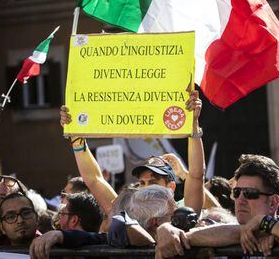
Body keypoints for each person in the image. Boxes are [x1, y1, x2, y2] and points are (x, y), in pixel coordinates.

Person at [60, 90, 211, 216]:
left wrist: (193, 123)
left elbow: (197, 174)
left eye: (153, 182)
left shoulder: (185, 212)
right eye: (142, 183)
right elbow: (94, 180)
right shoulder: (128, 214)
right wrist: (76, 135)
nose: (146, 188)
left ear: (171, 187)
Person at [155, 154, 279, 258]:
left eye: (250, 193)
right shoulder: (226, 228)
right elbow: (234, 231)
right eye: (237, 192)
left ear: (274, 202)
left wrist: (265, 223)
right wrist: (166, 228)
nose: (240, 200)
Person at [29, 192, 106, 259]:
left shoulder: (105, 248)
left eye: (62, 214)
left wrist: (59, 235)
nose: (58, 221)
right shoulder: (54, 248)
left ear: (74, 220)